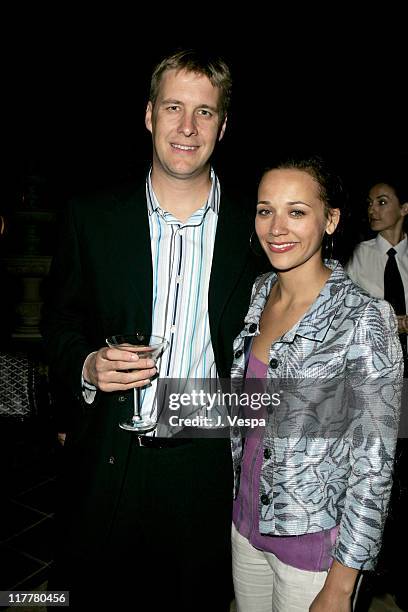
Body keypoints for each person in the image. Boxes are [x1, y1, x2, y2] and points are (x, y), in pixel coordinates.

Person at [41, 49, 264, 611]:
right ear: (148, 115)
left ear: (223, 125)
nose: (187, 127)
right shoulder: (89, 215)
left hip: (208, 470)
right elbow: (59, 322)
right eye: (173, 108)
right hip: (108, 464)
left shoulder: (258, 227)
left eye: (205, 112)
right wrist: (88, 365)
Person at [229, 155, 403, 611]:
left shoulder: (365, 317)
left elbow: (375, 465)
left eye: (297, 211)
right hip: (245, 526)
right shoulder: (260, 291)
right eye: (266, 210)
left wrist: (342, 583)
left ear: (331, 220)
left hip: (315, 552)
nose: (277, 227)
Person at [346, 175, 408, 611]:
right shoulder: (357, 258)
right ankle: (366, 576)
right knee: (377, 472)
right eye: (369, 202)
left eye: (382, 201)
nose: (372, 209)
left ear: (404, 208)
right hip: (374, 383)